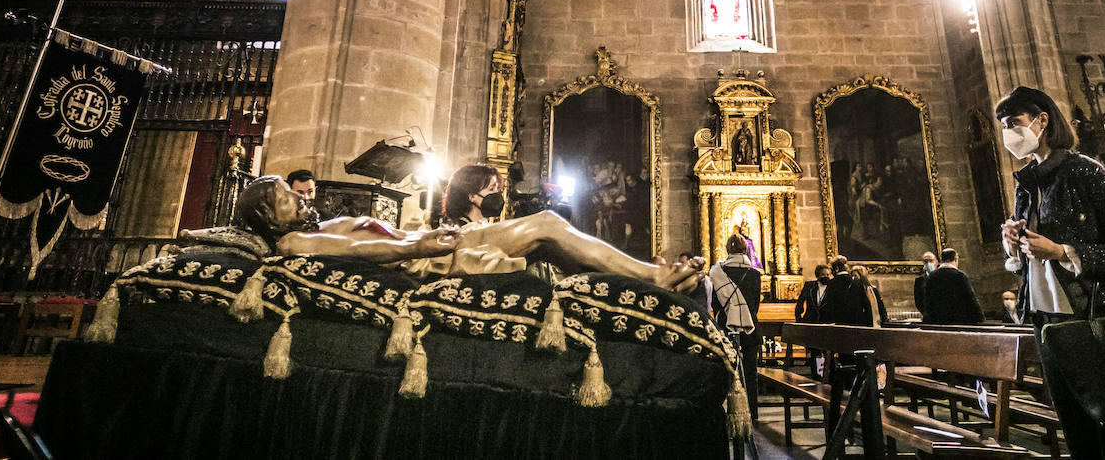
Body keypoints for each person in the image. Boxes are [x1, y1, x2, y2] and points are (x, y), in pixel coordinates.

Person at [997, 85, 1105, 460]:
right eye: (1004, 126)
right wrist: (1014, 244)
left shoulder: (1085, 172)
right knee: (1077, 430)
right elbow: (1031, 260)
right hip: (1048, 321)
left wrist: (1060, 251)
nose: (1009, 134)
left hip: (1097, 318)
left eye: (1015, 123)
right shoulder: (1027, 185)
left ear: (1041, 120)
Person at [233, 171, 701, 290]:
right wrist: (420, 242)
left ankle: (640, 275)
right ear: (271, 220)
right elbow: (357, 252)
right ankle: (647, 277)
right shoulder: (295, 241)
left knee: (547, 232)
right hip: (430, 255)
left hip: (429, 244)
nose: (300, 197)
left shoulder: (319, 222)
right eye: (285, 198)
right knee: (546, 227)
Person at [711, 233, 762, 423]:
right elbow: (755, 306)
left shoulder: (718, 273)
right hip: (750, 329)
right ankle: (753, 414)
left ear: (727, 250)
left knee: (725, 371)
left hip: (726, 327)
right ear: (745, 249)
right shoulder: (755, 274)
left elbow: (716, 305)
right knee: (750, 372)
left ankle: (726, 413)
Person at [921, 248, 984, 325]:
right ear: (956, 259)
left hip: (938, 322)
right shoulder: (960, 276)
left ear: (941, 260)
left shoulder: (931, 277)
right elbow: (970, 298)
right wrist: (980, 318)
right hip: (959, 321)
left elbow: (927, 302)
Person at [913, 250, 937, 317]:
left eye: (931, 261)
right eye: (926, 261)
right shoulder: (919, 280)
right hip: (928, 316)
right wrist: (926, 313)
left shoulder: (942, 277)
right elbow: (918, 301)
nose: (928, 263)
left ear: (936, 262)